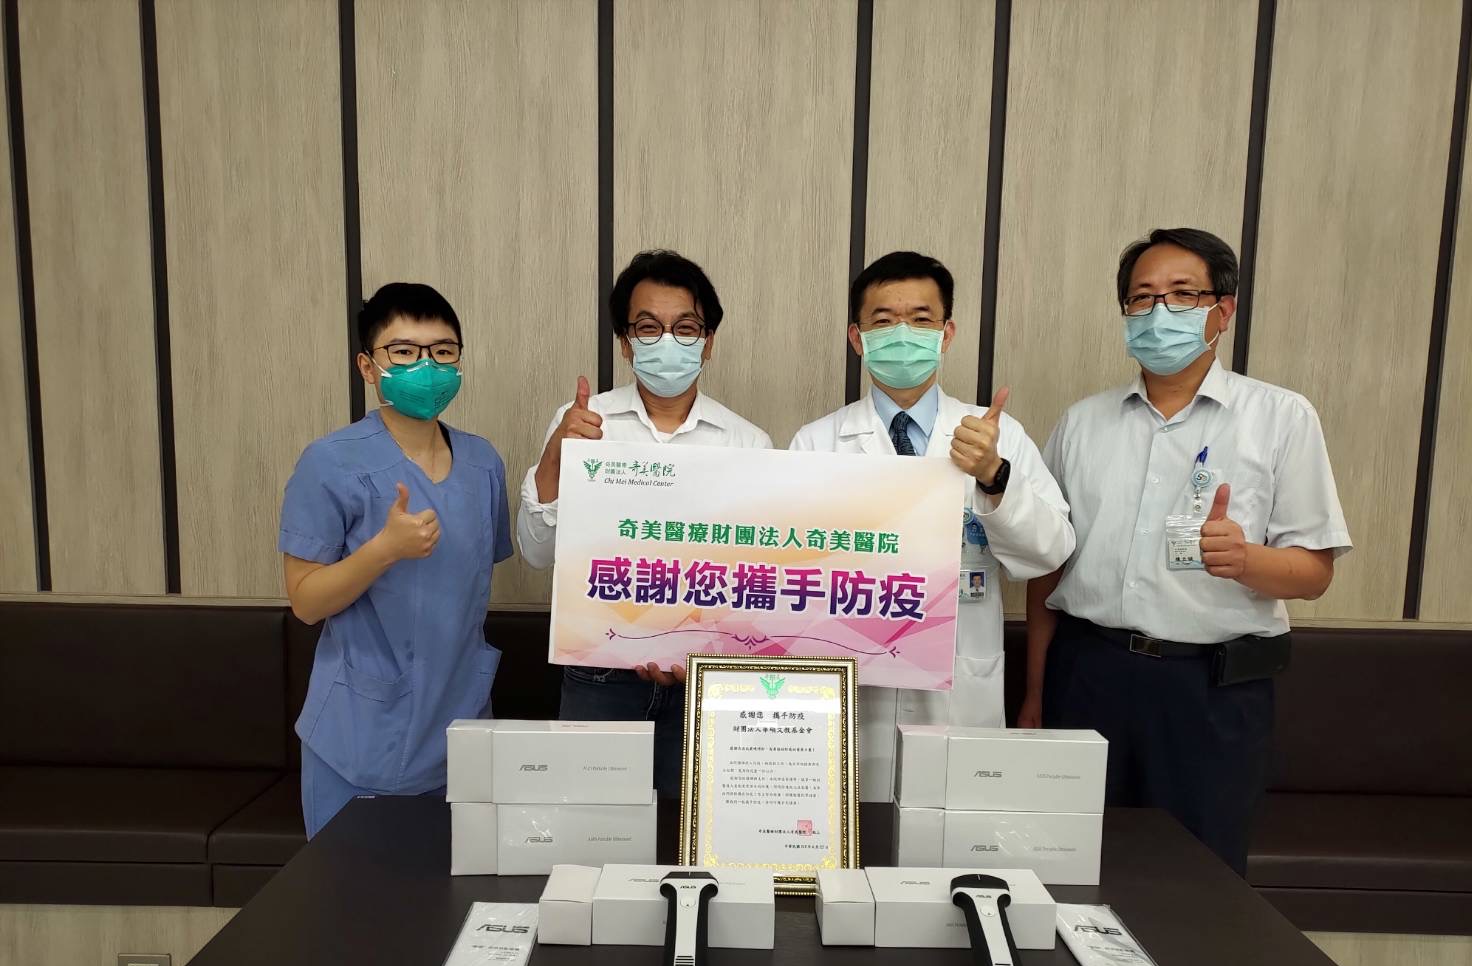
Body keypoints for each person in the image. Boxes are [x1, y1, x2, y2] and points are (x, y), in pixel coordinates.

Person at [1021, 227, 1352, 886]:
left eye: (1181, 295)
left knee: (1197, 885)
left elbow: (1314, 573)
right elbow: (1046, 565)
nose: (1159, 312)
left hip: (1209, 692)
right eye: (1142, 298)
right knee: (1067, 870)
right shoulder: (1082, 423)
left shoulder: (1280, 418)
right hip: (1088, 675)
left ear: (1222, 310)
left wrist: (1247, 559)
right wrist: (1034, 695)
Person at [279, 283, 515, 966]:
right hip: (360, 730)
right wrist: (381, 548)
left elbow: (468, 585)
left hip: (461, 723)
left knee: (458, 912)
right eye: (404, 352)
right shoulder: (331, 462)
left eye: (442, 351)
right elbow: (306, 601)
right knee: (356, 921)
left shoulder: (482, 462)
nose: (426, 367)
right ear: (367, 364)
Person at [790, 250, 1074, 801]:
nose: (902, 334)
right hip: (855, 686)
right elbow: (789, 574)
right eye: (883, 320)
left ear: (947, 333)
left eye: (920, 319)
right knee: (853, 827)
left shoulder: (998, 438)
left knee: (950, 829)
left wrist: (993, 476)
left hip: (958, 687)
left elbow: (1050, 552)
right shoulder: (816, 443)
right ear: (857, 338)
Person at [518, 248, 771, 804]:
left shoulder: (747, 442)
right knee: (592, 829)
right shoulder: (585, 423)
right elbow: (536, 553)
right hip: (600, 676)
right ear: (626, 342)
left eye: (686, 328)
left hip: (707, 679)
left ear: (708, 342)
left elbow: (755, 577)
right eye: (649, 328)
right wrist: (558, 456)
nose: (668, 342)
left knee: (696, 833)